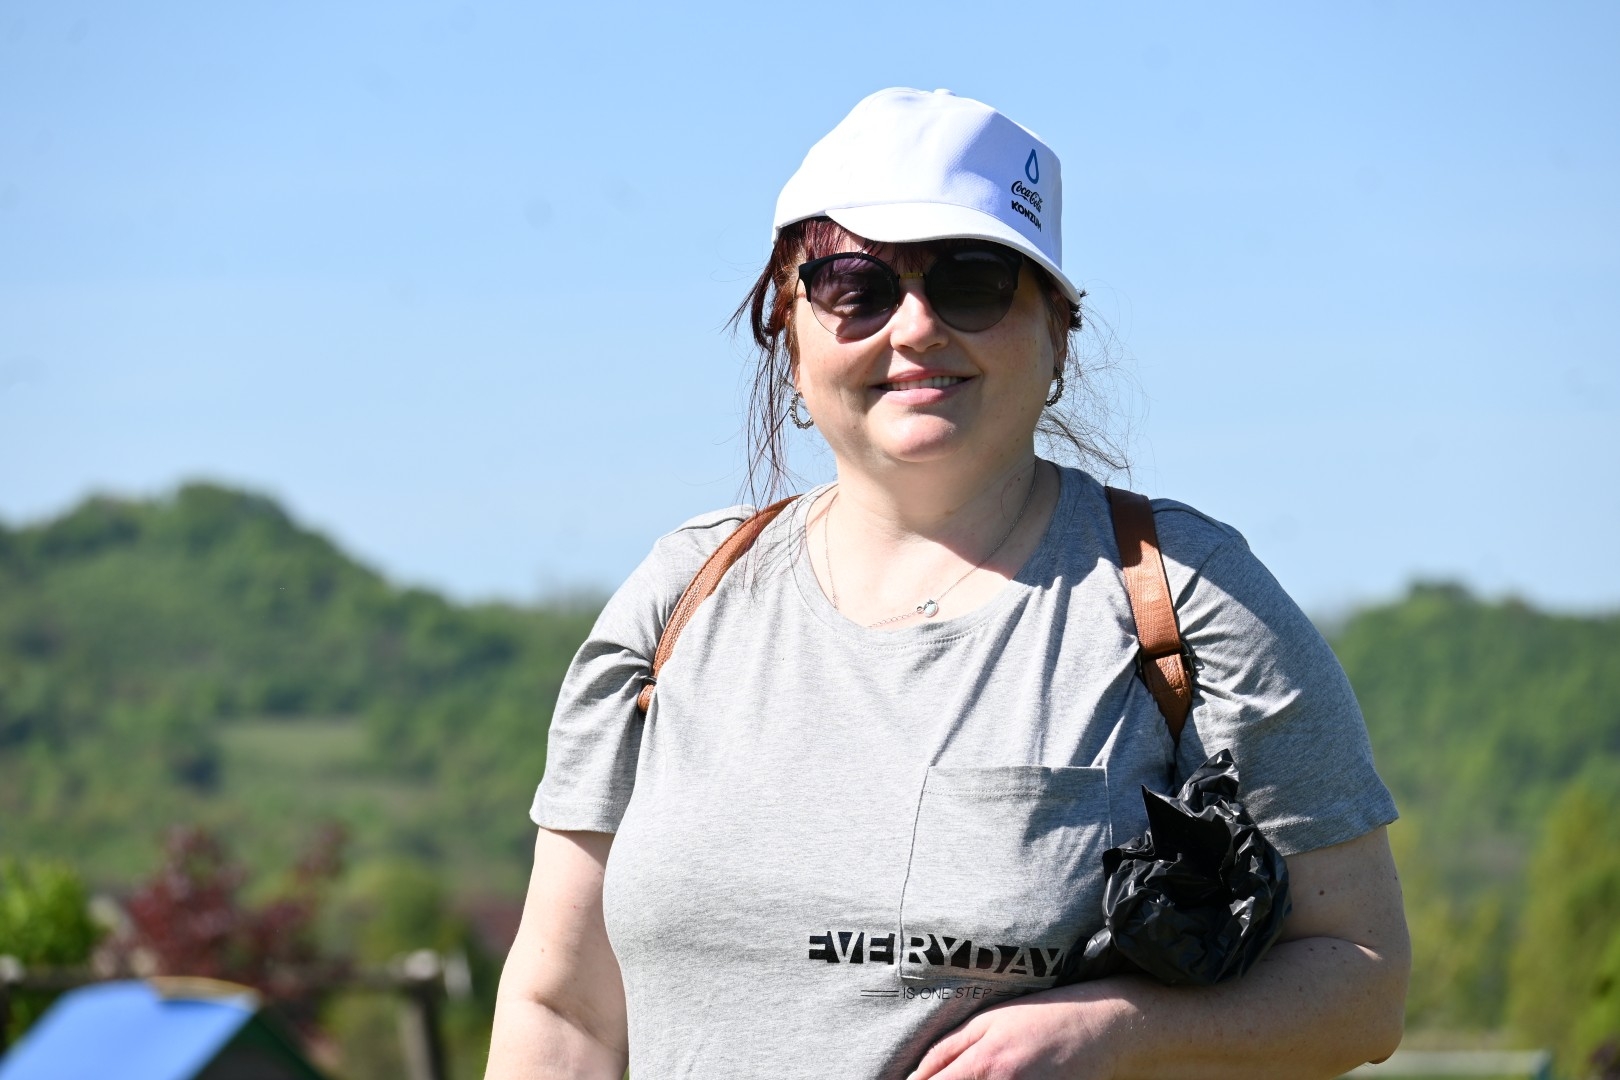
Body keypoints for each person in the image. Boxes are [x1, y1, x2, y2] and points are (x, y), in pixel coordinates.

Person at [486, 88, 1409, 1080]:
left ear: (1058, 334)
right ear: (789, 334)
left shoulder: (1184, 598)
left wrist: (1118, 1029)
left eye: (974, 282)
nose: (917, 327)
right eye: (856, 286)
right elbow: (564, 1010)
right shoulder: (679, 602)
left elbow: (1362, 979)